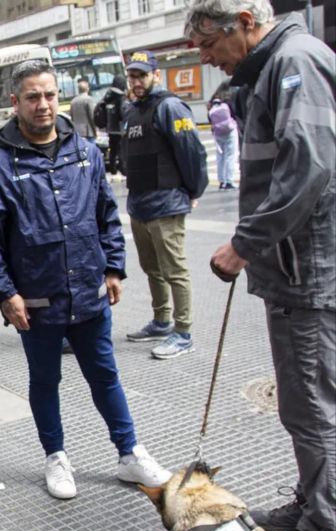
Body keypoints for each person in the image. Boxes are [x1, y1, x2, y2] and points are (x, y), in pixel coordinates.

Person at [0, 59, 171, 501]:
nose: (43, 105)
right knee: (44, 381)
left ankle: (128, 452)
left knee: (105, 375)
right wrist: (6, 293)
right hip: (37, 302)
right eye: (32, 97)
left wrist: (114, 267)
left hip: (89, 292)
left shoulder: (85, 151)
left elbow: (106, 215)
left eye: (48, 95)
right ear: (14, 103)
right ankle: (56, 456)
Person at [189, 1, 335, 531]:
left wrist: (244, 245)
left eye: (209, 45)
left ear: (246, 22)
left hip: (308, 272)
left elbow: (311, 168)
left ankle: (325, 527)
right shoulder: (270, 69)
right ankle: (315, 499)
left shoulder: (296, 60)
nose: (206, 57)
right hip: (294, 269)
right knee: (303, 400)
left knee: (311, 404)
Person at [122, 50, 208, 359]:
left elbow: (192, 153)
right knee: (151, 269)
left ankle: (183, 332)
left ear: (155, 75)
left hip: (166, 203)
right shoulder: (132, 110)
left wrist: (194, 191)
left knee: (175, 270)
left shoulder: (170, 106)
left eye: (141, 75)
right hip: (140, 204)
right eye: (132, 75)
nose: (136, 81)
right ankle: (161, 321)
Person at [207, 86, 238, 190]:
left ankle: (221, 181)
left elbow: (210, 119)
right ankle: (229, 181)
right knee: (230, 156)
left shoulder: (212, 104)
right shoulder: (227, 101)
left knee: (220, 156)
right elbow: (234, 115)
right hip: (230, 131)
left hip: (218, 133)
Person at [100, 75, 128, 175]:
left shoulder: (108, 95)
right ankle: (123, 169)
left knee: (113, 149)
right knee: (121, 149)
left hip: (110, 127)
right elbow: (122, 113)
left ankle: (113, 169)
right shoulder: (121, 96)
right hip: (119, 128)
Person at [69, 77, 97, 143]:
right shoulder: (88, 99)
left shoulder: (73, 101)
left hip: (77, 132)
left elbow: (72, 117)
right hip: (88, 132)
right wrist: (95, 130)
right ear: (87, 89)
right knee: (91, 151)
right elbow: (92, 116)